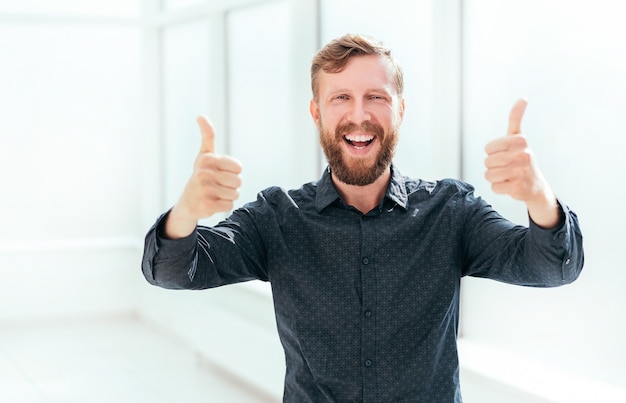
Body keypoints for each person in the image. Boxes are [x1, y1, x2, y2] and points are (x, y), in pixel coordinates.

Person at [141, 33, 584, 402]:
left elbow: (551, 266)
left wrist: (537, 195)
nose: (359, 114)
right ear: (316, 113)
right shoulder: (277, 219)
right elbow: (171, 269)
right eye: (340, 98)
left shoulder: (451, 212)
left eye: (376, 96)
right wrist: (189, 209)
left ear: (400, 110)